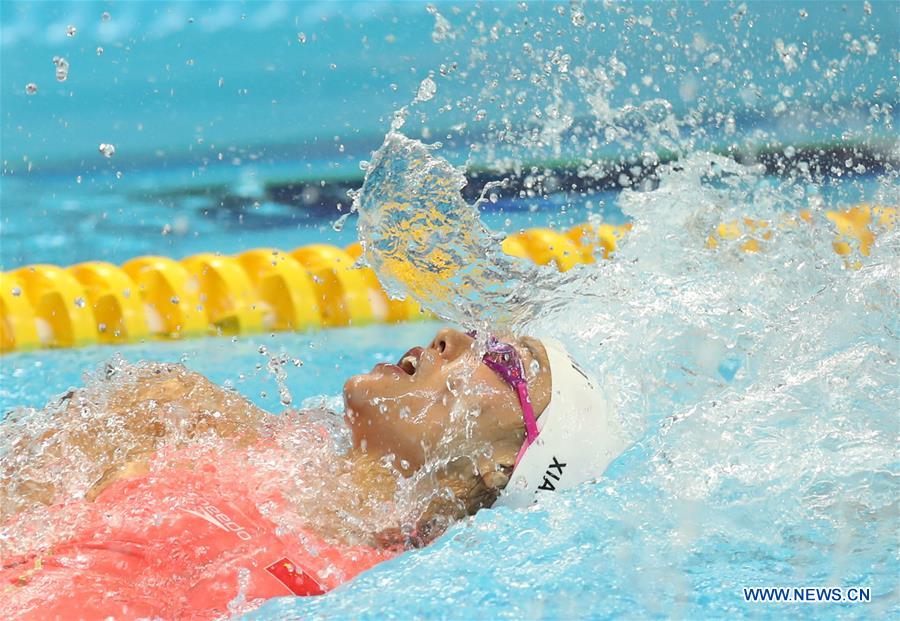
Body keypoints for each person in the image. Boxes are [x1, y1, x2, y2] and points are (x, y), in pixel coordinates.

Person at [1, 328, 627, 619]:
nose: (450, 338)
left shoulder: (348, 596)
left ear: (502, 466)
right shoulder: (182, 411)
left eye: (499, 361)